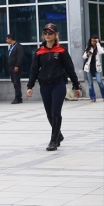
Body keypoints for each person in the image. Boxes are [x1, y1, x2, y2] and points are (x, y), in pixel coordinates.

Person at [27, 23, 81, 151]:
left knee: (56, 111)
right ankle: (59, 134)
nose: (47, 35)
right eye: (45, 33)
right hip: (44, 86)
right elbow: (34, 70)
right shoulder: (39, 52)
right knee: (48, 113)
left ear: (55, 35)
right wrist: (30, 86)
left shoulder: (61, 51)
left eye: (50, 33)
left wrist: (76, 85)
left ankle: (53, 140)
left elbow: (70, 69)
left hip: (58, 84)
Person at [82, 35, 104, 102]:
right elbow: (84, 56)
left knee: (99, 81)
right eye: (91, 41)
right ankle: (92, 98)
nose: (92, 42)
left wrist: (98, 43)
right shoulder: (88, 47)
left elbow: (101, 52)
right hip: (89, 68)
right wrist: (87, 54)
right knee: (90, 84)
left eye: (94, 41)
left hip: (97, 68)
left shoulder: (99, 47)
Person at [6, 33, 25, 104]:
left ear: (10, 38)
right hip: (11, 67)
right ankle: (17, 97)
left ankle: (18, 98)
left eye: (7, 39)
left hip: (16, 67)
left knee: (17, 83)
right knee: (14, 82)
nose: (6, 40)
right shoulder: (11, 47)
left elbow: (20, 57)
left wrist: (17, 65)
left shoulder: (18, 46)